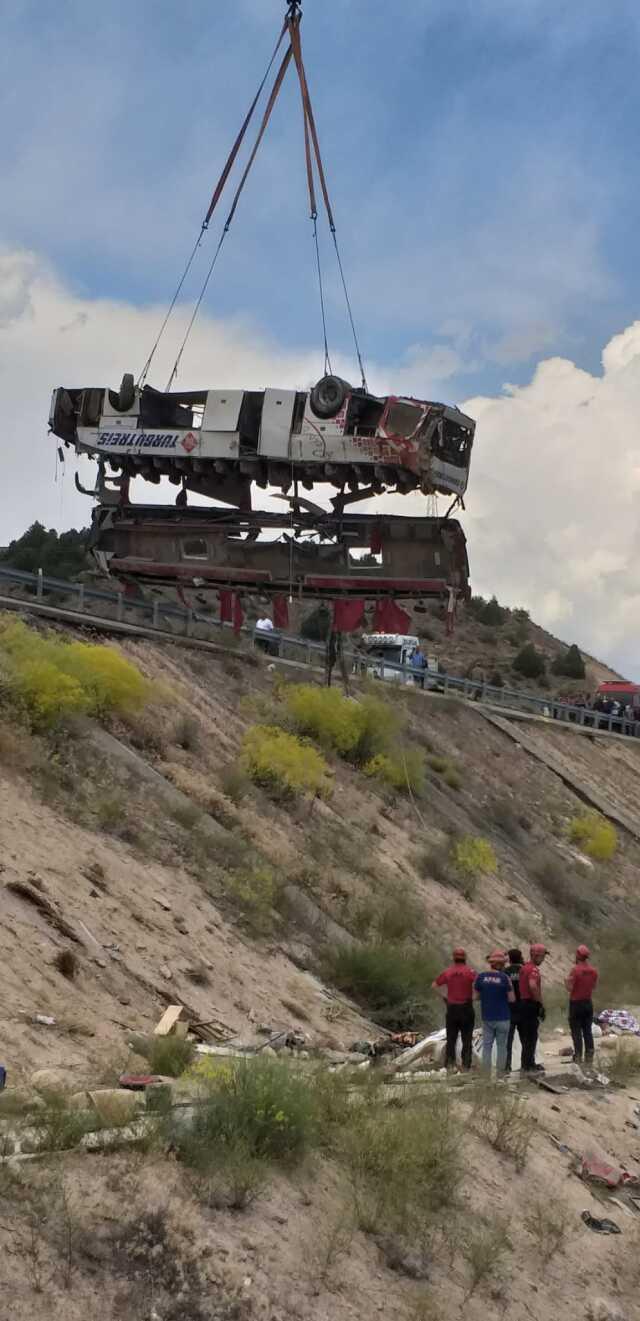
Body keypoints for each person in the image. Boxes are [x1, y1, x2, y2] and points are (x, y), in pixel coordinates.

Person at [432, 948, 476, 1071]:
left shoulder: (448, 972)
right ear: (465, 958)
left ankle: (450, 1066)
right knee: (467, 1039)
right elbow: (478, 985)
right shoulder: (470, 972)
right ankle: (466, 1066)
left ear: (453, 958)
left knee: (451, 1038)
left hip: (452, 1008)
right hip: (466, 1008)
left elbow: (434, 985)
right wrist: (473, 997)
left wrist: (445, 997)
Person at [474, 951, 515, 1073]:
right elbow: (512, 999)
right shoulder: (505, 978)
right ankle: (500, 1074)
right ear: (502, 964)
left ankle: (486, 1074)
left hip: (487, 1018)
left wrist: (486, 996)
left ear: (491, 963)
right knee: (502, 1047)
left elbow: (475, 997)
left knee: (487, 1046)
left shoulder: (481, 977)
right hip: (503, 1017)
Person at [566, 944, 598, 1065]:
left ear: (578, 955)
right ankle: (589, 1058)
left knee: (576, 1031)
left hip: (576, 1004)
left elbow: (569, 988)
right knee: (587, 1031)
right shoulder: (593, 971)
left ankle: (578, 1057)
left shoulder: (575, 970)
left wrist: (566, 981)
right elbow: (593, 986)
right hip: (588, 1003)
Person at [519, 943, 548, 1072]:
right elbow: (532, 985)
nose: (543, 959)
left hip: (523, 1004)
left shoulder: (524, 967)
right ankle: (528, 1065)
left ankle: (528, 1063)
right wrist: (540, 1003)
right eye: (542, 957)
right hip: (530, 1004)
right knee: (531, 1036)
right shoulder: (533, 970)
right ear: (536, 955)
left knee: (527, 1036)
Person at [504, 947, 524, 1073]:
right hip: (523, 1009)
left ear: (509, 959)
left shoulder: (505, 972)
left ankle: (507, 1066)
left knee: (508, 1041)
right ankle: (526, 1064)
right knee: (526, 1040)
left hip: (509, 1009)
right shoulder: (524, 971)